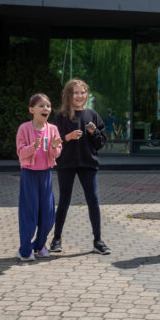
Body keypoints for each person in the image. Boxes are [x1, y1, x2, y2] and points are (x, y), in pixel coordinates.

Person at [50, 78, 111, 255]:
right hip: (66, 163)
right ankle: (56, 239)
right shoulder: (60, 117)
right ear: (68, 95)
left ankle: (98, 241)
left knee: (93, 200)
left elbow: (100, 143)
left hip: (88, 163)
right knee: (64, 200)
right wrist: (67, 138)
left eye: (82, 92)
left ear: (86, 95)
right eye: (75, 92)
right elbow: (53, 143)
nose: (79, 95)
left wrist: (94, 132)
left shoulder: (92, 115)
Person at [16, 93, 63, 261]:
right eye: (41, 106)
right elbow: (21, 153)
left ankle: (39, 245)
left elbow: (55, 153)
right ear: (31, 110)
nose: (46, 109)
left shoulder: (53, 129)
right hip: (29, 174)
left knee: (49, 215)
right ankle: (25, 250)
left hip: (46, 175)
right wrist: (33, 147)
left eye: (48, 106)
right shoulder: (24, 129)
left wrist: (55, 148)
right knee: (30, 214)